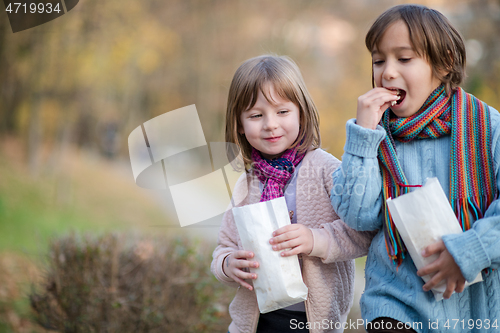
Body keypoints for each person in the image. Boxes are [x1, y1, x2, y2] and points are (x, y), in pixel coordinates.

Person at [331, 4, 500, 333]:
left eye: (404, 59)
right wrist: (364, 137)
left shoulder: (488, 128)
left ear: (445, 61)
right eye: (379, 60)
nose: (388, 72)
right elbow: (358, 215)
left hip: (476, 313)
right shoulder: (373, 135)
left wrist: (467, 251)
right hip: (395, 306)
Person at [211, 55, 375, 333]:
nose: (270, 124)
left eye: (282, 112)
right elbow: (223, 248)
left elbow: (363, 232)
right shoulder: (247, 183)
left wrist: (315, 239)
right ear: (240, 124)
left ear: (301, 112)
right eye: (255, 115)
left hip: (313, 322)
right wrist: (229, 264)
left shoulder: (327, 170)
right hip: (254, 321)